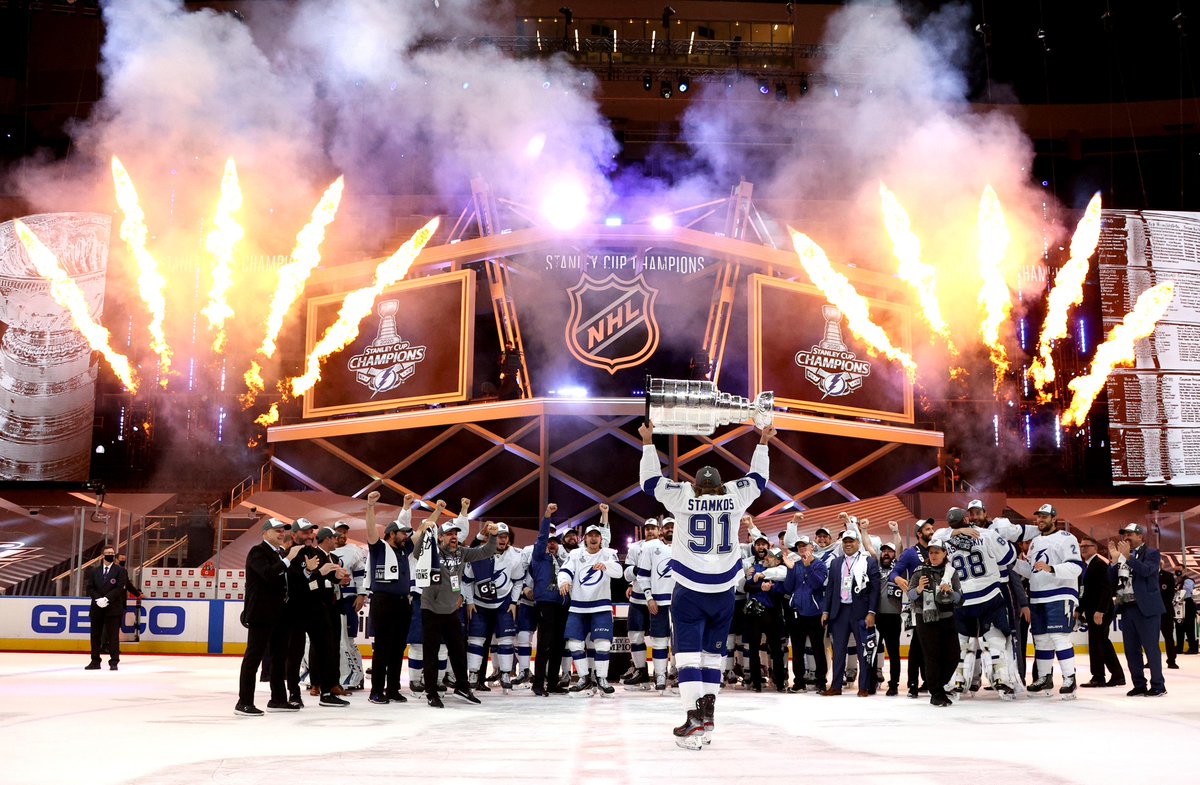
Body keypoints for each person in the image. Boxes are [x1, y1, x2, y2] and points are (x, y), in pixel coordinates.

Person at [639, 419, 774, 751]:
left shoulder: (684, 496)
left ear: (696, 484)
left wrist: (647, 442)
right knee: (713, 658)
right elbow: (759, 479)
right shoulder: (735, 496)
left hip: (689, 589)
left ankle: (692, 720)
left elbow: (650, 483)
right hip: (725, 591)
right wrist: (763, 442)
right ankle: (708, 716)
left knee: (686, 658)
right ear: (721, 485)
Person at [412, 501, 499, 708]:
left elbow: (486, 552)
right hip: (431, 610)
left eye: (456, 534)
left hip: (451, 610)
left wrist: (493, 536)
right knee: (431, 653)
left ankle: (462, 686)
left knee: (458, 651)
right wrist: (426, 531)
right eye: (449, 533)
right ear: (440, 537)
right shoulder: (430, 551)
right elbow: (416, 551)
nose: (454, 537)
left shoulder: (462, 553)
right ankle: (431, 692)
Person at [934, 506, 1018, 699]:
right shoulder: (986, 534)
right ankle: (1001, 679)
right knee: (995, 640)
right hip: (989, 594)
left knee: (963, 642)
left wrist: (955, 533)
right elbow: (1009, 557)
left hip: (963, 598)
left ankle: (958, 681)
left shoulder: (943, 538)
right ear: (966, 519)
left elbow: (934, 541)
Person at [1010, 504, 1084, 699]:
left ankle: (1070, 678)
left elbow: (1076, 567)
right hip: (1038, 595)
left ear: (1054, 518)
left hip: (1060, 594)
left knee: (1059, 637)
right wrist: (1013, 563)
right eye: (1038, 517)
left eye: (1044, 517)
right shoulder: (1034, 542)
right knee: (1041, 640)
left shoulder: (1067, 538)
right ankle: (1044, 677)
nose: (1040, 520)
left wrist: (1051, 568)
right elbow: (1032, 570)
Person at [236, 518, 300, 716]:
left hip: (280, 614)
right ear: (265, 533)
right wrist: (288, 559)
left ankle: (278, 699)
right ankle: (244, 702)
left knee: (279, 657)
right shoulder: (258, 552)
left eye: (283, 530)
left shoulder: (278, 554)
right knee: (253, 657)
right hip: (261, 614)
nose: (282, 533)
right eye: (277, 530)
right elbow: (268, 575)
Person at [559, 508, 623, 696]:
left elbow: (618, 572)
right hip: (578, 606)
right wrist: (564, 581)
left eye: (596, 535)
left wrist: (607, 566)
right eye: (590, 535)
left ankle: (601, 679)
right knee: (574, 644)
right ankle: (584, 678)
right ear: (584, 539)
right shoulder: (575, 554)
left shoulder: (608, 553)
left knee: (603, 644)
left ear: (600, 538)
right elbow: (565, 570)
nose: (593, 538)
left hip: (601, 605)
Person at [364, 491, 414, 705]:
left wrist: (433, 517)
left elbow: (420, 534)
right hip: (383, 601)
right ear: (392, 534)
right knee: (383, 647)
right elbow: (370, 530)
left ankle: (392, 689)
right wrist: (370, 507)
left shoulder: (404, 550)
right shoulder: (378, 548)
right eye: (403, 533)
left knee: (398, 647)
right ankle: (376, 690)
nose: (406, 536)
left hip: (403, 603)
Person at [464, 520, 526, 692]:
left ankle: (505, 673)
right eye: (498, 536)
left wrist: (513, 601)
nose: (502, 540)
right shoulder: (478, 553)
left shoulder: (515, 555)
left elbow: (518, 580)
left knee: (506, 640)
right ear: (491, 537)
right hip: (479, 603)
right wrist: (469, 601)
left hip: (503, 603)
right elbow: (467, 580)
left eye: (505, 536)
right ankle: (473, 674)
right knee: (475, 640)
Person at [1109, 523, 1167, 697]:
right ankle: (1139, 684)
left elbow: (1147, 571)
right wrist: (1113, 562)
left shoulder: (1151, 553)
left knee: (1151, 648)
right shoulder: (1122, 556)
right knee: (1131, 649)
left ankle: (1158, 685)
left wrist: (1129, 558)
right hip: (1127, 607)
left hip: (1147, 608)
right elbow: (1111, 581)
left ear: (1140, 536)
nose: (1126, 538)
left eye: (1130, 535)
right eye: (1124, 535)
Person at [821, 530, 879, 697]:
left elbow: (874, 590)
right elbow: (830, 588)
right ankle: (836, 686)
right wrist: (826, 610)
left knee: (863, 651)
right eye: (845, 541)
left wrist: (871, 612)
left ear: (858, 543)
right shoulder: (836, 563)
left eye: (851, 541)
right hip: (839, 613)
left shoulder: (867, 561)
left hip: (860, 612)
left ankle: (864, 687)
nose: (848, 544)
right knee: (838, 652)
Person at [907, 540, 962, 707]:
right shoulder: (919, 571)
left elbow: (960, 598)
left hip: (946, 617)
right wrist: (918, 589)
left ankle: (939, 685)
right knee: (932, 656)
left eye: (937, 552)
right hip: (925, 619)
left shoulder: (951, 572)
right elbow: (910, 595)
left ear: (945, 553)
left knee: (953, 655)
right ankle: (936, 692)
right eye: (931, 552)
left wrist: (951, 593)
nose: (934, 555)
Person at [528, 503, 569, 696]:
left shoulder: (564, 561)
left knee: (558, 645)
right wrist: (547, 516)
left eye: (555, 541)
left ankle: (552, 682)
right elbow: (542, 537)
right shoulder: (538, 558)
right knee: (544, 644)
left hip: (562, 605)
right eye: (549, 541)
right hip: (545, 604)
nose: (551, 543)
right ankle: (538, 684)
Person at [889, 518, 932, 698]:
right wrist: (897, 579)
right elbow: (894, 572)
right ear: (919, 533)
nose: (932, 531)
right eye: (928, 529)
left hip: (938, 604)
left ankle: (930, 682)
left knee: (932, 645)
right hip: (918, 604)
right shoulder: (910, 553)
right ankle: (912, 684)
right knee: (916, 645)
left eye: (932, 528)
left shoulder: (937, 550)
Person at [781, 534, 828, 693]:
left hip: (815, 614)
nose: (802, 548)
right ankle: (799, 681)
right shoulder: (795, 565)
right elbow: (788, 588)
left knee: (818, 649)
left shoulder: (820, 565)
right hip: (797, 614)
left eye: (805, 546)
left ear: (812, 547)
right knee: (798, 649)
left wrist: (808, 567)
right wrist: (789, 570)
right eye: (799, 546)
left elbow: (817, 585)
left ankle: (821, 681)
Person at [636, 517, 677, 693]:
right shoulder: (651, 547)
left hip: (681, 601)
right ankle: (660, 675)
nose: (670, 530)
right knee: (659, 640)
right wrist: (649, 597)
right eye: (667, 527)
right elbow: (642, 575)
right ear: (661, 530)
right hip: (659, 601)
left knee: (681, 640)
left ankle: (678, 673)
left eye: (673, 527)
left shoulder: (687, 545)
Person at [1077, 537, 1125, 687]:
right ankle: (1117, 675)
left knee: (1097, 643)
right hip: (1094, 609)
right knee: (1101, 642)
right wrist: (1080, 609)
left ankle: (1098, 676)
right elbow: (1086, 592)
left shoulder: (1098, 565)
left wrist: (1100, 610)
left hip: (1100, 610)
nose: (1083, 548)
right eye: (1081, 546)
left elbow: (1106, 589)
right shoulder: (1087, 566)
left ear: (1095, 548)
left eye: (1087, 546)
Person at [623, 518, 660, 688]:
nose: (650, 531)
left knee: (662, 638)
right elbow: (627, 573)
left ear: (658, 530)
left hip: (659, 598)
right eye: (647, 529)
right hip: (638, 598)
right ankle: (641, 671)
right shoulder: (635, 548)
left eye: (653, 528)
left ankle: (663, 673)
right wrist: (636, 576)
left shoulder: (664, 547)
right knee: (635, 635)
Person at [331, 521, 367, 692]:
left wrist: (361, 594)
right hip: (329, 601)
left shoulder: (354, 550)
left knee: (348, 640)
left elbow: (361, 575)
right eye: (339, 531)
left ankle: (355, 676)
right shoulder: (325, 551)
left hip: (348, 601)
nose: (342, 535)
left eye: (345, 532)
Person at [84, 544, 131, 671]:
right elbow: (90, 587)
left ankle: (114, 661)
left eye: (112, 553)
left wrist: (107, 599)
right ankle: (95, 661)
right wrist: (97, 599)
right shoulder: (94, 571)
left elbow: (120, 588)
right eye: (108, 553)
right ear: (102, 555)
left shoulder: (120, 571)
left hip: (113, 608)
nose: (110, 555)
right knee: (95, 636)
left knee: (113, 636)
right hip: (97, 608)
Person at [1178, 570, 1197, 654]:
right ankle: (1179, 647)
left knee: (1189, 627)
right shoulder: (1178, 581)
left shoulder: (1187, 580)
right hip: (1180, 605)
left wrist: (1178, 592)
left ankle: (1193, 647)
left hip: (1187, 603)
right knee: (1179, 627)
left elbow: (1187, 592)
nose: (1177, 572)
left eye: (1179, 570)